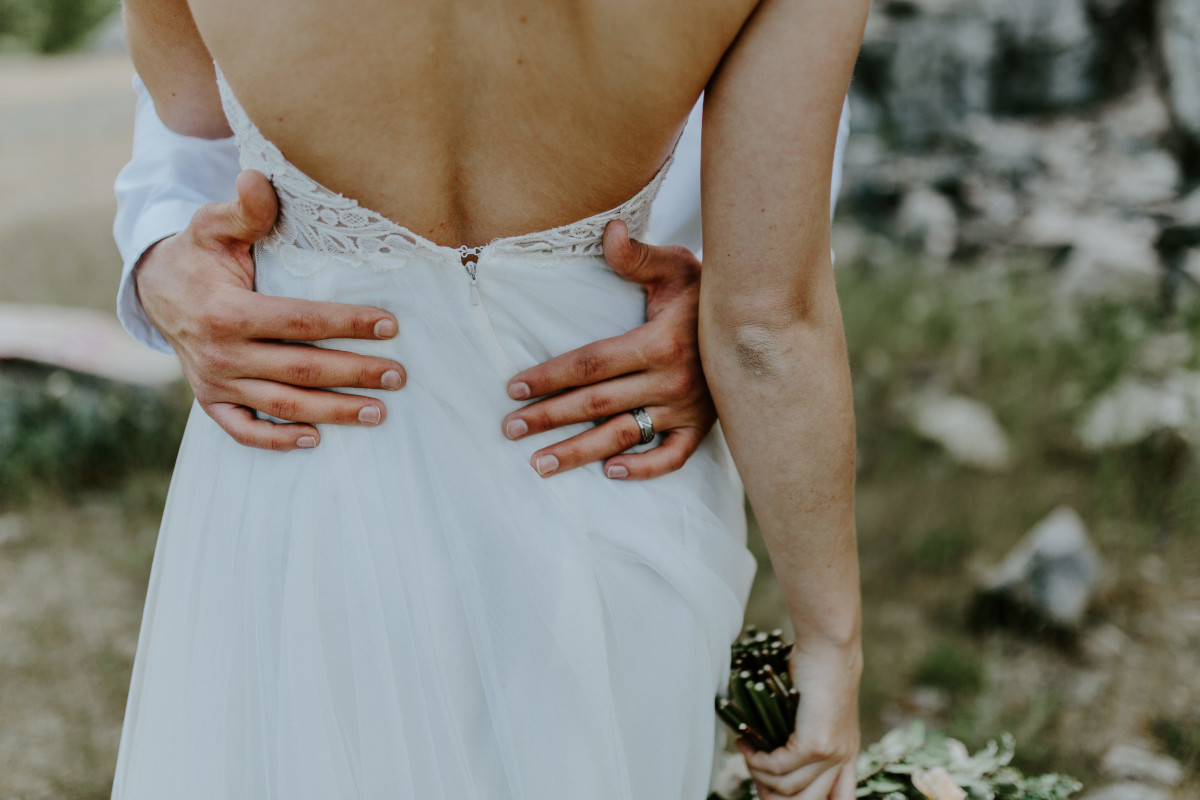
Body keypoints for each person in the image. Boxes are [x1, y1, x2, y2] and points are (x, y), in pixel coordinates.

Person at [112, 1, 867, 799]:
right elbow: (766, 326)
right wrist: (828, 641)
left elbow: (189, 107)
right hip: (598, 461)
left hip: (309, 450)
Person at [113, 78, 850, 479]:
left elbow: (787, 129)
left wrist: (732, 309)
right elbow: (185, 109)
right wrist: (162, 257)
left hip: (619, 394)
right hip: (316, 405)